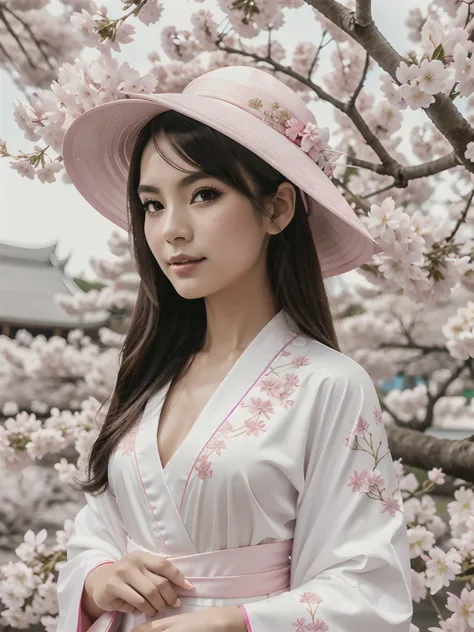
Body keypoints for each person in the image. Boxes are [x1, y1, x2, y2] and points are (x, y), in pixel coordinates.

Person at [56, 65, 413, 632]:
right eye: (152, 204)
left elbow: (368, 584)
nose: (171, 229)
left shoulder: (329, 385)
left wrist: (241, 621)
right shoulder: (147, 377)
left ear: (277, 208)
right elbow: (97, 530)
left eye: (203, 194)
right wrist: (98, 581)